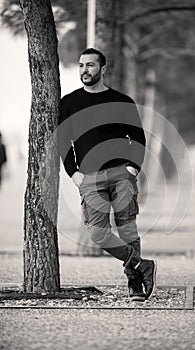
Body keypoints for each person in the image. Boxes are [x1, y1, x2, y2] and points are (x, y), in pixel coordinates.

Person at [58, 48, 157, 301]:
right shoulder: (69, 103)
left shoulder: (122, 101)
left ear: (102, 69)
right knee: (97, 233)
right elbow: (63, 140)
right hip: (89, 176)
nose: (84, 70)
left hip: (121, 173)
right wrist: (73, 173)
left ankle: (135, 282)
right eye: (81, 65)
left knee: (127, 229)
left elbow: (137, 136)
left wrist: (133, 167)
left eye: (90, 65)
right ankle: (142, 264)